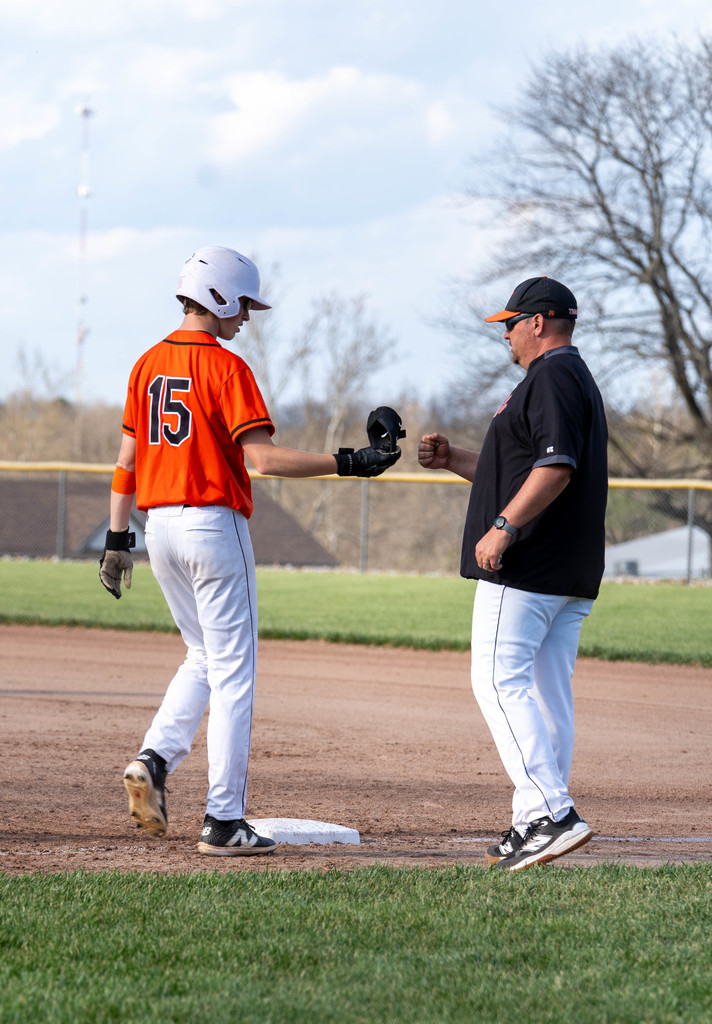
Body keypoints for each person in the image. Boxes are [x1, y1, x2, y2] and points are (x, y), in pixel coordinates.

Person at [99, 245, 400, 857]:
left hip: (158, 530)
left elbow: (125, 463)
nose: (247, 318)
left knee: (203, 655)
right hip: (213, 525)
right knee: (234, 671)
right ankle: (224, 819)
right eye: (243, 306)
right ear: (219, 298)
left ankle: (154, 761)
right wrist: (350, 463)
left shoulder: (145, 364)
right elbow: (262, 460)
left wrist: (115, 538)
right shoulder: (226, 368)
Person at [418, 276, 607, 871]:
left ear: (538, 322)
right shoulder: (572, 378)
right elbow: (524, 469)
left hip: (529, 566)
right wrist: (454, 461)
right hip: (567, 571)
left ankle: (552, 811)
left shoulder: (550, 377)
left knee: (498, 683)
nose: (505, 333)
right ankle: (535, 818)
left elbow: (554, 470)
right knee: (548, 694)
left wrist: (503, 528)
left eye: (510, 322)